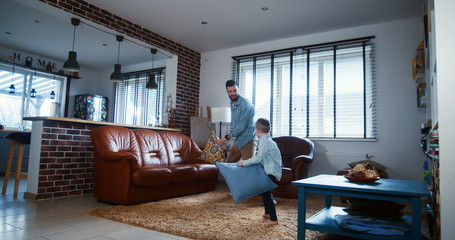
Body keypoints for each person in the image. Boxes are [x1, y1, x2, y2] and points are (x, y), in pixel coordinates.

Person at [237, 118, 282, 226]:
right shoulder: (269, 140)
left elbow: (258, 158)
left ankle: (274, 219)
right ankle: (267, 213)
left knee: (266, 194)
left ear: (257, 131)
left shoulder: (264, 141)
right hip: (272, 170)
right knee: (265, 191)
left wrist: (244, 162)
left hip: (271, 171)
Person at [217, 80, 255, 163]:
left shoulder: (245, 104)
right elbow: (235, 124)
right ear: (227, 92)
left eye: (235, 90)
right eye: (230, 91)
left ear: (238, 90)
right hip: (238, 141)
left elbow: (242, 126)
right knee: (228, 165)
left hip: (248, 141)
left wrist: (226, 138)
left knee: (248, 168)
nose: (233, 93)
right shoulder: (232, 104)